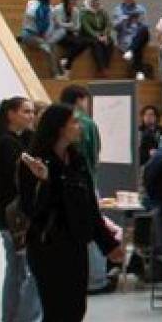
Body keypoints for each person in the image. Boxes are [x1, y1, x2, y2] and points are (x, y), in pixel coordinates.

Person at [17, 104, 124, 322]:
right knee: (54, 312)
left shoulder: (76, 160)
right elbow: (32, 210)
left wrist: (108, 244)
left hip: (75, 245)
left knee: (76, 308)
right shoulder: (33, 163)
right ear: (59, 127)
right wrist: (46, 180)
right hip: (47, 246)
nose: (79, 126)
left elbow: (89, 208)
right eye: (74, 122)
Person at [0, 96, 42, 322]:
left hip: (8, 216)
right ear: (11, 114)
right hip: (15, 218)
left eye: (32, 112)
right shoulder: (9, 146)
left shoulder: (14, 142)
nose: (30, 116)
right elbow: (24, 176)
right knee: (32, 271)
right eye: (26, 111)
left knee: (17, 271)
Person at [58, 84, 111, 295]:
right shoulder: (88, 123)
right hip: (86, 181)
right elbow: (95, 155)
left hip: (64, 185)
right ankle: (97, 279)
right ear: (81, 99)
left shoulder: (57, 120)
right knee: (93, 229)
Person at [113, 0, 152, 77]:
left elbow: (145, 25)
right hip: (126, 38)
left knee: (143, 30)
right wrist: (122, 20)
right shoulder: (117, 10)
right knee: (137, 46)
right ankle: (139, 71)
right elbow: (115, 27)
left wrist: (137, 22)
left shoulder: (141, 9)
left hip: (139, 35)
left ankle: (130, 51)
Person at [75, 0, 116, 73]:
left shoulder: (102, 11)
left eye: (97, 0)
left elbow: (108, 24)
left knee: (110, 42)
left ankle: (106, 65)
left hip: (102, 34)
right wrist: (98, 36)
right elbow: (87, 27)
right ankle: (101, 67)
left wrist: (105, 35)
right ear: (89, 1)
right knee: (97, 44)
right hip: (88, 35)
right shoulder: (84, 12)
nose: (97, 2)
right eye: (94, 1)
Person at [19, 0, 57, 68]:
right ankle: (56, 74)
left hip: (41, 35)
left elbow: (50, 24)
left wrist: (46, 35)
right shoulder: (33, 5)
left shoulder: (50, 8)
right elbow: (29, 19)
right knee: (47, 46)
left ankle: (57, 73)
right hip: (29, 34)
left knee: (51, 45)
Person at [51, 0, 85, 73]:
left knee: (84, 42)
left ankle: (66, 59)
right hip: (58, 33)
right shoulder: (58, 9)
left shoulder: (75, 11)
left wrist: (68, 26)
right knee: (76, 43)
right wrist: (70, 25)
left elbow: (77, 27)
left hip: (70, 34)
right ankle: (67, 64)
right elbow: (58, 24)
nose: (76, 1)